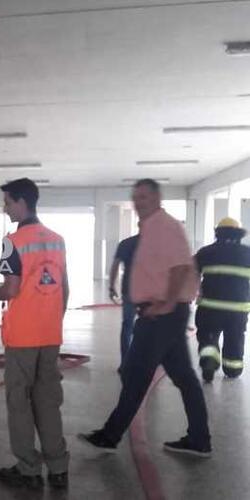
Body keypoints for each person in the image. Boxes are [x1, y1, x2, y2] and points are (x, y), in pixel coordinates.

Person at [79, 178, 211, 457]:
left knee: (135, 374)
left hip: (161, 315)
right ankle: (199, 439)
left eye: (145, 198)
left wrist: (167, 305)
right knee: (184, 377)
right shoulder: (150, 229)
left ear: (157, 198)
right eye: (136, 198)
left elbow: (179, 269)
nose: (139, 203)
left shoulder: (166, 227)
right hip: (163, 313)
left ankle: (110, 436)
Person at [0, 178, 70, 491]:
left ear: (21, 202)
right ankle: (58, 468)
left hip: (22, 337)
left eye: (6, 202)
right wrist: (53, 321)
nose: (4, 209)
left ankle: (28, 469)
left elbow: (11, 289)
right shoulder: (57, 240)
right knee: (48, 400)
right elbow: (64, 289)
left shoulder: (12, 241)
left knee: (19, 402)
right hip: (50, 334)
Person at [194, 217, 250, 382]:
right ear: (239, 234)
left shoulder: (206, 252)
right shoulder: (248, 253)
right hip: (238, 309)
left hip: (210, 307)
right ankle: (232, 370)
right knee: (235, 338)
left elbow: (191, 274)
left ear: (218, 233)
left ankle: (209, 361)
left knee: (208, 337)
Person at [109, 235, 140, 371]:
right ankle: (147, 363)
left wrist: (112, 287)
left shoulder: (126, 243)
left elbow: (115, 265)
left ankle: (125, 363)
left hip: (129, 291)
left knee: (127, 326)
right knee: (150, 327)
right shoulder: (155, 243)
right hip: (150, 293)